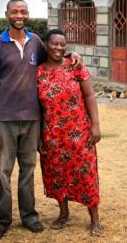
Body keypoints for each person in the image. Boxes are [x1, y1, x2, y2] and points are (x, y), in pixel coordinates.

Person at [0, 0, 80, 241]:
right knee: (3, 172)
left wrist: (71, 53)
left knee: (28, 170)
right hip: (5, 119)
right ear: (6, 14)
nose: (19, 15)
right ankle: (2, 220)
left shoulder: (36, 41)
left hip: (32, 119)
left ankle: (29, 216)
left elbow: (53, 55)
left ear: (28, 14)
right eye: (15, 11)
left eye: (23, 11)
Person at [36, 28, 102, 236]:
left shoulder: (75, 66)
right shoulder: (37, 73)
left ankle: (95, 220)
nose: (59, 47)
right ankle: (63, 214)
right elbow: (36, 107)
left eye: (62, 44)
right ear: (46, 45)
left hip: (79, 132)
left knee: (86, 174)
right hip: (52, 135)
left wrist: (95, 124)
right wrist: (39, 136)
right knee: (57, 174)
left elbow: (90, 96)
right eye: (54, 43)